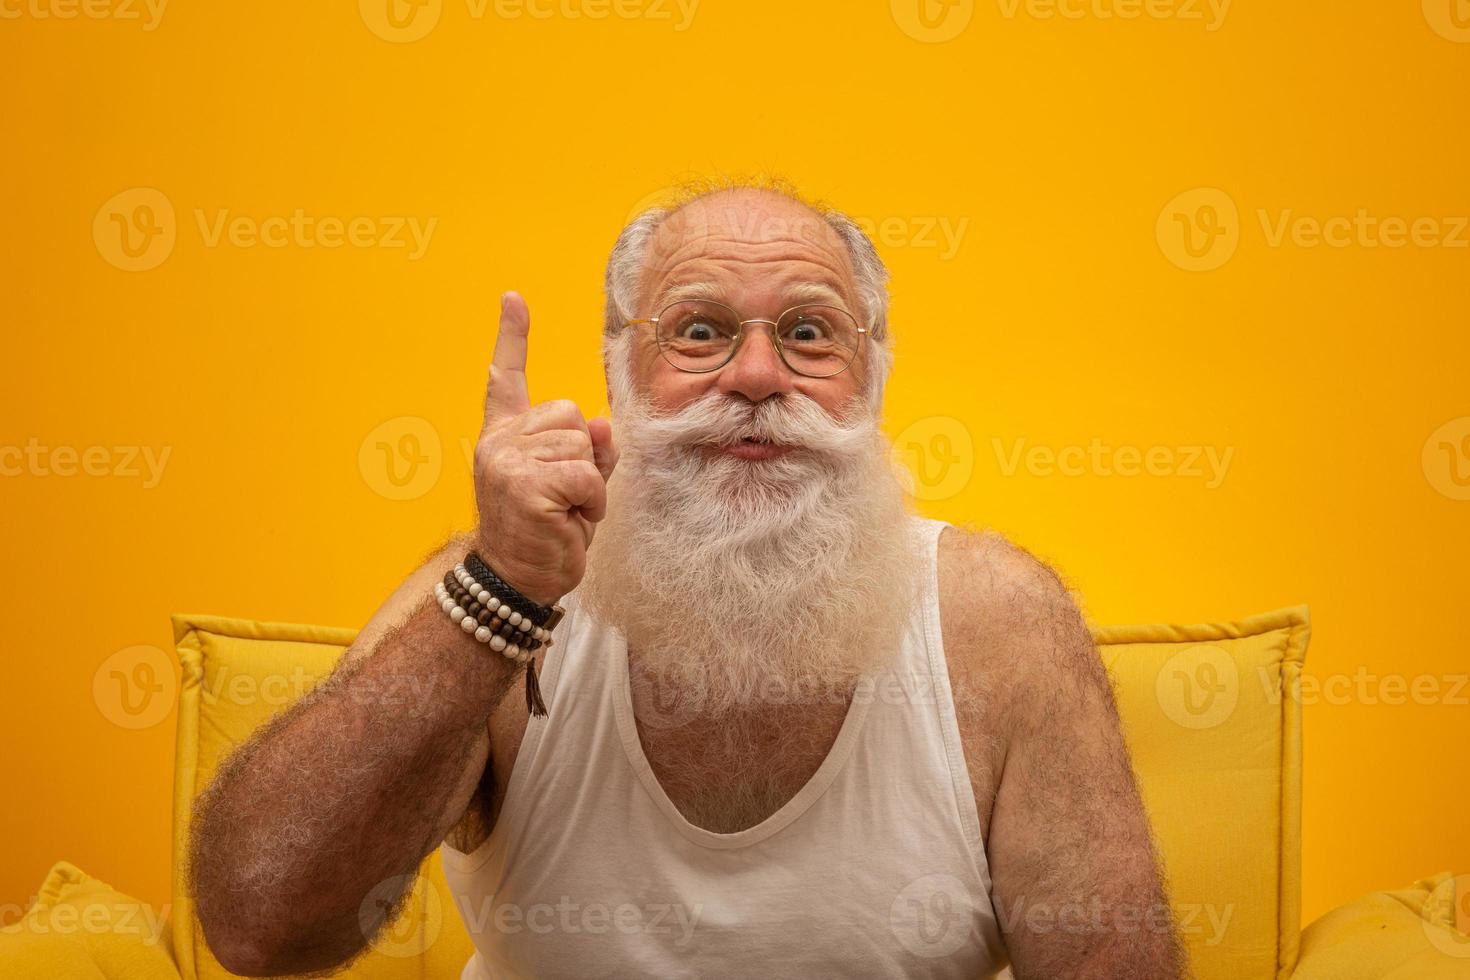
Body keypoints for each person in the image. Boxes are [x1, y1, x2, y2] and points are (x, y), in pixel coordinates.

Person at [189, 177, 1187, 979]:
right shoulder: (496, 590)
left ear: (872, 378)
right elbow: (260, 927)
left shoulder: (999, 618)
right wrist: (498, 591)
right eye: (700, 330)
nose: (756, 376)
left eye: (808, 331)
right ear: (622, 371)